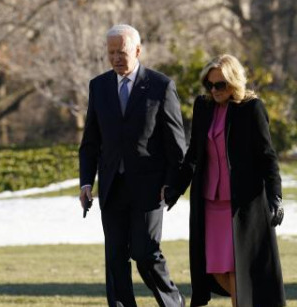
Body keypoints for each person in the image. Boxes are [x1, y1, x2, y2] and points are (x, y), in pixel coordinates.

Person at [78, 24, 186, 307]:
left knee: (145, 252)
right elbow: (90, 141)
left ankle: (172, 303)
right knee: (114, 257)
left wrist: (172, 184)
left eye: (121, 52)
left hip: (149, 189)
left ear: (137, 51)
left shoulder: (161, 86)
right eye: (111, 52)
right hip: (112, 186)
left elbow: (176, 144)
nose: (116, 58)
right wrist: (86, 182)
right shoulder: (98, 86)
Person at [165, 54, 286, 307]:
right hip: (210, 202)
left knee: (238, 269)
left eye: (220, 85)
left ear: (233, 82)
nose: (214, 90)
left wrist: (276, 197)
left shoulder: (251, 108)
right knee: (216, 269)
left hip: (243, 204)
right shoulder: (203, 106)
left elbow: (267, 156)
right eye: (209, 84)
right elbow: (193, 154)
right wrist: (175, 189)